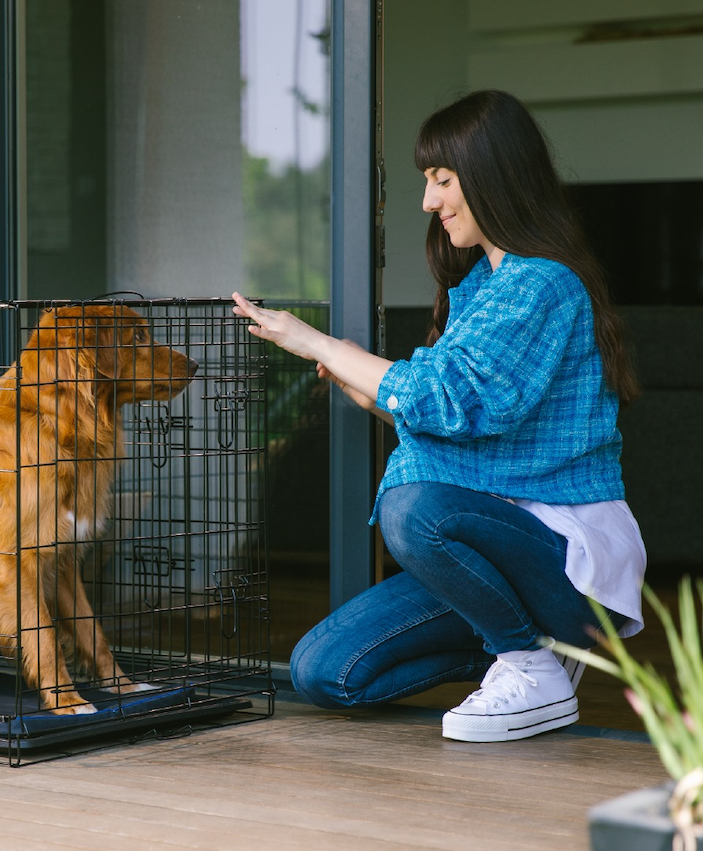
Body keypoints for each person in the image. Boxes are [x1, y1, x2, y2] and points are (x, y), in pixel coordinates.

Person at [231, 89, 646, 743]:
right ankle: (520, 648)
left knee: (410, 507)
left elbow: (448, 395)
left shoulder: (544, 284)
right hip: (495, 561)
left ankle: (532, 661)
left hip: (564, 566)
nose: (429, 201)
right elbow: (461, 421)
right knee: (323, 671)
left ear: (492, 175)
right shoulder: (479, 289)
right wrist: (368, 392)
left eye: (442, 180)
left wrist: (320, 343)